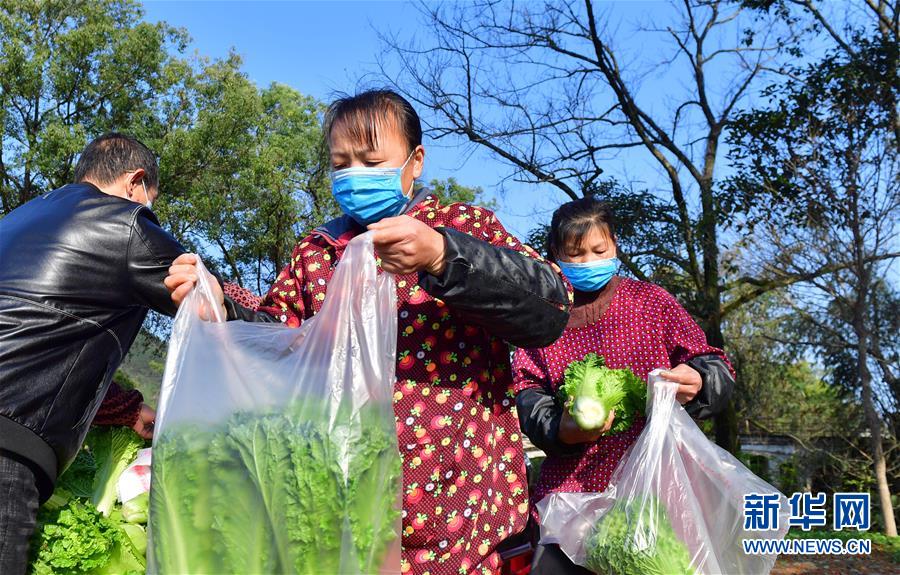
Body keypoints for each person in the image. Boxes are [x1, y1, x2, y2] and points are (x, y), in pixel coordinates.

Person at [166, 89, 572, 575]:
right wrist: (223, 310)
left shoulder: (460, 226)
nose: (356, 173)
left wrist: (443, 257)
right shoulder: (316, 254)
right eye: (342, 163)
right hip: (343, 520)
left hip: (464, 521)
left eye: (372, 159)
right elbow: (279, 344)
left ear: (414, 160)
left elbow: (550, 307)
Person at [511, 197, 735, 574]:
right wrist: (558, 428)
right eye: (575, 254)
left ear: (615, 245)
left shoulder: (651, 303)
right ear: (554, 254)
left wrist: (699, 380)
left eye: (599, 250)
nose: (588, 261)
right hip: (568, 500)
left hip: (655, 492)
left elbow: (715, 364)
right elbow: (527, 392)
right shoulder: (542, 317)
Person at [0, 134, 185, 574]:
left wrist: (127, 407)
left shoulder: (16, 219)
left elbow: (37, 341)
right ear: (135, 183)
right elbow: (210, 299)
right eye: (149, 201)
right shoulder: (125, 224)